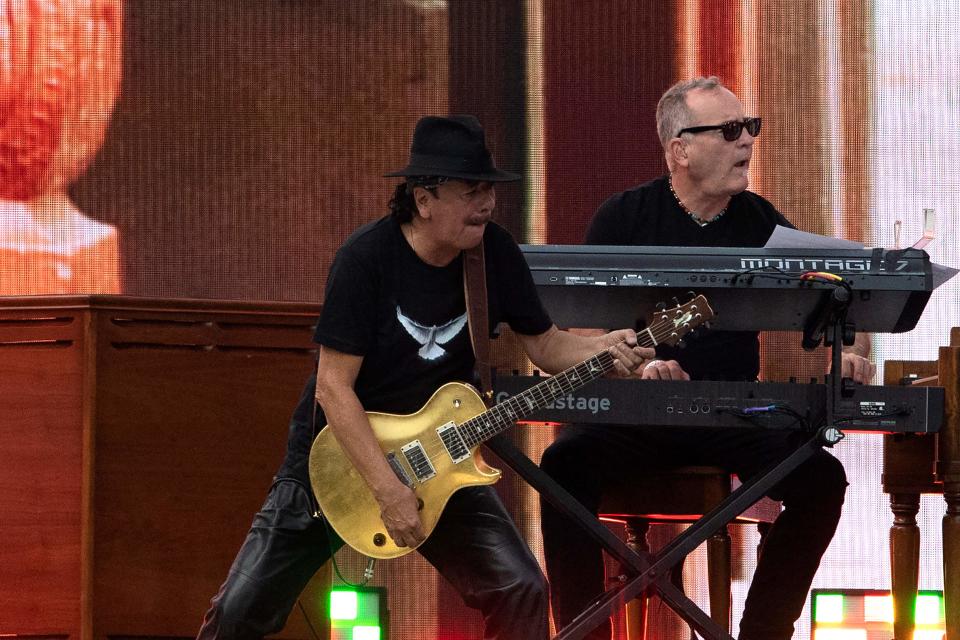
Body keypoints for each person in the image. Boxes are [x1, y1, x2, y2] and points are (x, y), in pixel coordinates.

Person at [196, 114, 652, 640]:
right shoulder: (366, 259)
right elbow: (332, 387)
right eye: (470, 190)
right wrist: (387, 489)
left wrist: (606, 347)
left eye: (489, 190)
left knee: (521, 588)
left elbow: (547, 346)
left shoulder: (493, 255)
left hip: (439, 458)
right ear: (423, 198)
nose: (486, 203)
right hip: (337, 460)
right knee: (239, 612)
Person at [539, 77, 875, 640]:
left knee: (821, 477)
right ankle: (582, 634)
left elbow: (844, 305)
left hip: (734, 414)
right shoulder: (623, 217)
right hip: (637, 415)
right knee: (562, 466)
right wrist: (639, 369)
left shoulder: (762, 222)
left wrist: (854, 355)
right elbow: (582, 333)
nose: (747, 141)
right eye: (729, 131)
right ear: (680, 151)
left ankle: (763, 632)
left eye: (750, 128)